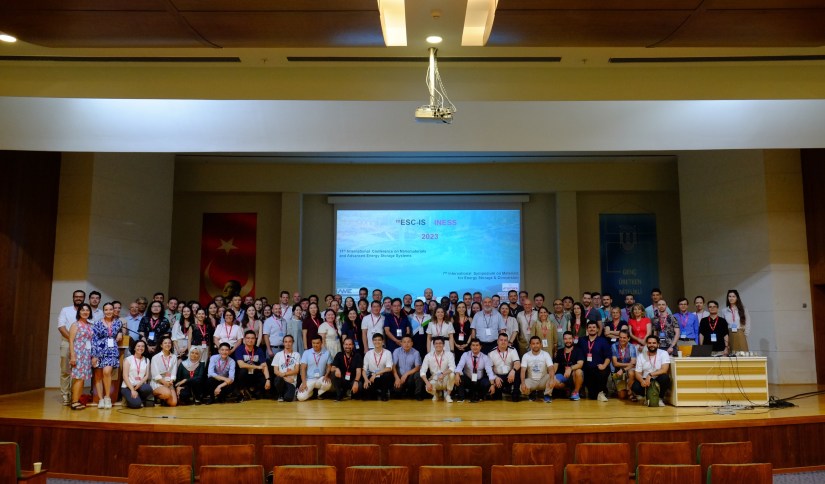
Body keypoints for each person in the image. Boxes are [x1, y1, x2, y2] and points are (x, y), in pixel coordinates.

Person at [91, 302, 122, 409]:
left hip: (112, 351)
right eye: (106, 310)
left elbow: (120, 331)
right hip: (99, 351)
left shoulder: (118, 322)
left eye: (110, 309)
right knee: (98, 376)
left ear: (114, 310)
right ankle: (100, 399)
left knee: (107, 371)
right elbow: (94, 339)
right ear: (103, 311)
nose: (108, 311)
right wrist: (94, 355)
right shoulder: (97, 323)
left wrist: (120, 333)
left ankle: (107, 397)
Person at [632, 335, 672, 406]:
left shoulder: (663, 353)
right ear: (646, 344)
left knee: (665, 378)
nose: (651, 345)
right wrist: (642, 381)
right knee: (635, 387)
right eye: (649, 343)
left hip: (658, 378)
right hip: (646, 380)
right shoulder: (641, 356)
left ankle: (660, 398)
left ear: (658, 344)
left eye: (654, 343)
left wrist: (650, 375)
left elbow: (664, 370)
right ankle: (648, 398)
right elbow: (637, 373)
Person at [68, 303, 94, 410]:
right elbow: (71, 341)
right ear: (79, 312)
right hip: (78, 354)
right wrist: (72, 356)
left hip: (87, 354)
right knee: (78, 378)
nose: (85, 312)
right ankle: (74, 402)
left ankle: (78, 400)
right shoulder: (75, 325)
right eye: (83, 310)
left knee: (82, 379)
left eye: (87, 310)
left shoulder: (90, 325)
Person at [578, 321, 611, 402]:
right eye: (589, 327)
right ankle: (601, 391)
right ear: (587, 329)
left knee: (603, 372)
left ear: (597, 329)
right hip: (587, 369)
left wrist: (604, 365)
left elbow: (608, 356)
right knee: (592, 396)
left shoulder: (603, 341)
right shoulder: (582, 340)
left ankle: (602, 392)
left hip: (599, 368)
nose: (592, 329)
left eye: (594, 327)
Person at [454, 338, 496, 403]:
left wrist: (492, 384)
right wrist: (457, 374)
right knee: (459, 376)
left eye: (477, 345)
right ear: (470, 346)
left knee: (486, 383)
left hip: (479, 381)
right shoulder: (465, 354)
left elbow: (489, 372)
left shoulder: (485, 357)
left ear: (480, 347)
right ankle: (461, 398)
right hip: (468, 379)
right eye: (473, 345)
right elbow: (460, 366)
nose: (475, 347)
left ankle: (480, 396)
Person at [234, 330, 271, 400]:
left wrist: (268, 380)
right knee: (243, 371)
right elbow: (241, 365)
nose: (250, 340)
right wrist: (257, 367)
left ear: (255, 340)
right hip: (244, 374)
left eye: (252, 338)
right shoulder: (239, 349)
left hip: (254, 373)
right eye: (248, 338)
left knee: (264, 378)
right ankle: (241, 391)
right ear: (244, 339)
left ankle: (253, 391)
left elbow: (264, 365)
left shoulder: (259, 350)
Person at [420, 337, 456, 402]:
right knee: (427, 388)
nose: (438, 345)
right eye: (436, 343)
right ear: (433, 345)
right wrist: (427, 383)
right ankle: (436, 394)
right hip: (435, 378)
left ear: (444, 345)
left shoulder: (449, 354)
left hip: (445, 378)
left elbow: (452, 367)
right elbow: (422, 371)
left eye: (440, 343)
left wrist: (443, 374)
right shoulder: (428, 356)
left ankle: (448, 395)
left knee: (452, 374)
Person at [520, 336, 555, 403]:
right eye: (533, 344)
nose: (535, 345)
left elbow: (551, 368)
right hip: (531, 380)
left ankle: (547, 395)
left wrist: (552, 379)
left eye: (537, 343)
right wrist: (523, 383)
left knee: (553, 377)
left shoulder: (546, 354)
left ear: (540, 344)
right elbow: (523, 371)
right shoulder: (526, 356)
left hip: (543, 380)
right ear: (530, 345)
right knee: (521, 388)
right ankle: (531, 393)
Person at [297, 335, 333, 401]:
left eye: (317, 343)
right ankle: (311, 393)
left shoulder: (327, 353)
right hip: (309, 380)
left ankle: (319, 394)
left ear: (321, 343)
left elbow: (329, 366)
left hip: (320, 379)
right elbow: (302, 369)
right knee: (300, 398)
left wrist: (327, 375)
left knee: (327, 383)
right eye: (313, 343)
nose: (315, 345)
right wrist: (304, 383)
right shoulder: (306, 353)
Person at [489, 333, 521, 402]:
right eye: (501, 340)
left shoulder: (513, 350)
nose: (503, 342)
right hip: (499, 378)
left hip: (510, 376)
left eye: (505, 340)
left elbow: (518, 363)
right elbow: (489, 370)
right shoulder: (491, 353)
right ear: (497, 341)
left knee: (517, 372)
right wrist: (495, 377)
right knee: (497, 399)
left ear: (507, 342)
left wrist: (513, 371)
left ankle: (515, 394)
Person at [553, 331, 584, 401]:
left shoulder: (578, 350)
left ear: (573, 339)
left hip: (574, 376)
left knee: (578, 371)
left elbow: (580, 364)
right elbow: (555, 365)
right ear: (563, 340)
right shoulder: (560, 351)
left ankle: (576, 392)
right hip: (563, 376)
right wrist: (551, 376)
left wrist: (570, 368)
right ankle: (568, 389)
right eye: (566, 339)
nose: (568, 341)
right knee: (553, 380)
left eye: (570, 338)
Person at [122, 340, 153, 408]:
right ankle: (129, 399)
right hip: (128, 386)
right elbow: (125, 376)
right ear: (134, 348)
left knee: (147, 388)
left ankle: (138, 398)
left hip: (139, 386)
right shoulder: (128, 359)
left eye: (142, 346)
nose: (140, 348)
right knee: (136, 404)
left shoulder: (146, 360)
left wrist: (139, 384)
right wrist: (132, 390)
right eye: (138, 346)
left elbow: (146, 375)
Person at [362, 333, 393, 401]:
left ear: (382, 341)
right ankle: (376, 393)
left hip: (383, 376)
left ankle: (384, 395)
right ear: (372, 341)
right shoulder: (368, 354)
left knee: (387, 375)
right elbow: (364, 370)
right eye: (375, 340)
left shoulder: (388, 353)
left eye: (379, 340)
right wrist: (366, 380)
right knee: (368, 395)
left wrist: (376, 374)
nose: (377, 342)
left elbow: (389, 368)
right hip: (372, 377)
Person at [392, 335, 424, 400]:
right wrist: (397, 378)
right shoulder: (396, 351)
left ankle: (418, 394)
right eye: (404, 342)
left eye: (408, 342)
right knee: (396, 393)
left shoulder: (416, 352)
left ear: (412, 343)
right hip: (399, 376)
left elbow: (418, 367)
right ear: (401, 343)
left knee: (418, 374)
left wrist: (406, 374)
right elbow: (393, 366)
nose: (406, 344)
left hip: (410, 377)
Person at [150, 336, 178, 407]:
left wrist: (171, 381)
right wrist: (164, 383)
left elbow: (174, 372)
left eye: (169, 343)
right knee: (167, 393)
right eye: (165, 343)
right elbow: (155, 375)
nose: (167, 344)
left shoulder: (174, 357)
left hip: (169, 382)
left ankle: (164, 399)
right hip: (158, 382)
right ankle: (156, 397)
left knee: (173, 403)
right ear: (161, 345)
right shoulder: (155, 357)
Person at [272, 335, 301, 402]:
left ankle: (291, 392)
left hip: (292, 381)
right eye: (286, 342)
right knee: (278, 379)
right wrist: (285, 377)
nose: (288, 344)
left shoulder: (297, 355)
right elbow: (275, 371)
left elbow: (296, 370)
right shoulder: (278, 355)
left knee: (288, 398)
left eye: (290, 342)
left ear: (293, 342)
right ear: (283, 343)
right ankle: (280, 395)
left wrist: (285, 374)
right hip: (282, 380)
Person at [610, 330, 637, 401]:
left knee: (631, 373)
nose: (622, 339)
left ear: (628, 338)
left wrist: (623, 369)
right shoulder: (614, 346)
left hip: (627, 370)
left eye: (624, 338)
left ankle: (629, 390)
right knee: (622, 396)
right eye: (620, 337)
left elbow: (633, 363)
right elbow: (615, 363)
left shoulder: (632, 347)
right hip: (617, 371)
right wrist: (629, 364)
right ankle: (625, 391)